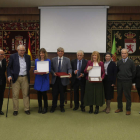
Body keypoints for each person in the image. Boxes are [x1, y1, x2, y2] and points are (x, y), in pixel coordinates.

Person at [7, 44, 31, 116]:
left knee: (26, 94)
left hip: (25, 78)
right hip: (15, 78)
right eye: (21, 50)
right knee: (15, 94)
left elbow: (29, 67)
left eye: (23, 50)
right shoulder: (13, 56)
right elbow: (9, 67)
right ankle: (15, 110)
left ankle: (27, 109)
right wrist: (9, 75)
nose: (22, 52)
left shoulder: (28, 57)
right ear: (17, 50)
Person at [50, 47, 72, 113]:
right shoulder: (53, 59)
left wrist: (70, 73)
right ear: (57, 52)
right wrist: (53, 73)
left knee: (62, 94)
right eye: (59, 51)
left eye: (62, 51)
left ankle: (62, 106)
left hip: (63, 79)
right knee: (55, 94)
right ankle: (54, 106)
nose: (60, 52)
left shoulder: (67, 60)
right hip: (55, 79)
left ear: (63, 52)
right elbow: (50, 69)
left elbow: (69, 68)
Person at [115, 48, 136, 115]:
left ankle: (128, 109)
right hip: (120, 81)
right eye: (122, 53)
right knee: (119, 95)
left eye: (125, 53)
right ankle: (120, 108)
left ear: (127, 54)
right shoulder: (119, 62)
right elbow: (117, 71)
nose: (123, 54)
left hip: (128, 81)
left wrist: (132, 81)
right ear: (121, 54)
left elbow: (134, 72)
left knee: (128, 96)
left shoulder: (131, 62)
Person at [34, 48, 51, 114]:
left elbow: (49, 70)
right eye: (40, 53)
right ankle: (40, 107)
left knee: (44, 94)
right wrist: (35, 71)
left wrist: (45, 72)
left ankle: (45, 108)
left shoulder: (48, 60)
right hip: (38, 79)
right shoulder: (36, 60)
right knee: (39, 94)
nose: (41, 54)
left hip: (45, 79)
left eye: (43, 53)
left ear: (45, 53)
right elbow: (35, 69)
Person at [0, 50, 6, 115]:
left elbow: (4, 70)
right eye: (1, 54)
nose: (2, 56)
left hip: (2, 82)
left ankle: (0, 109)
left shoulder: (4, 61)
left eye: (3, 54)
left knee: (1, 96)